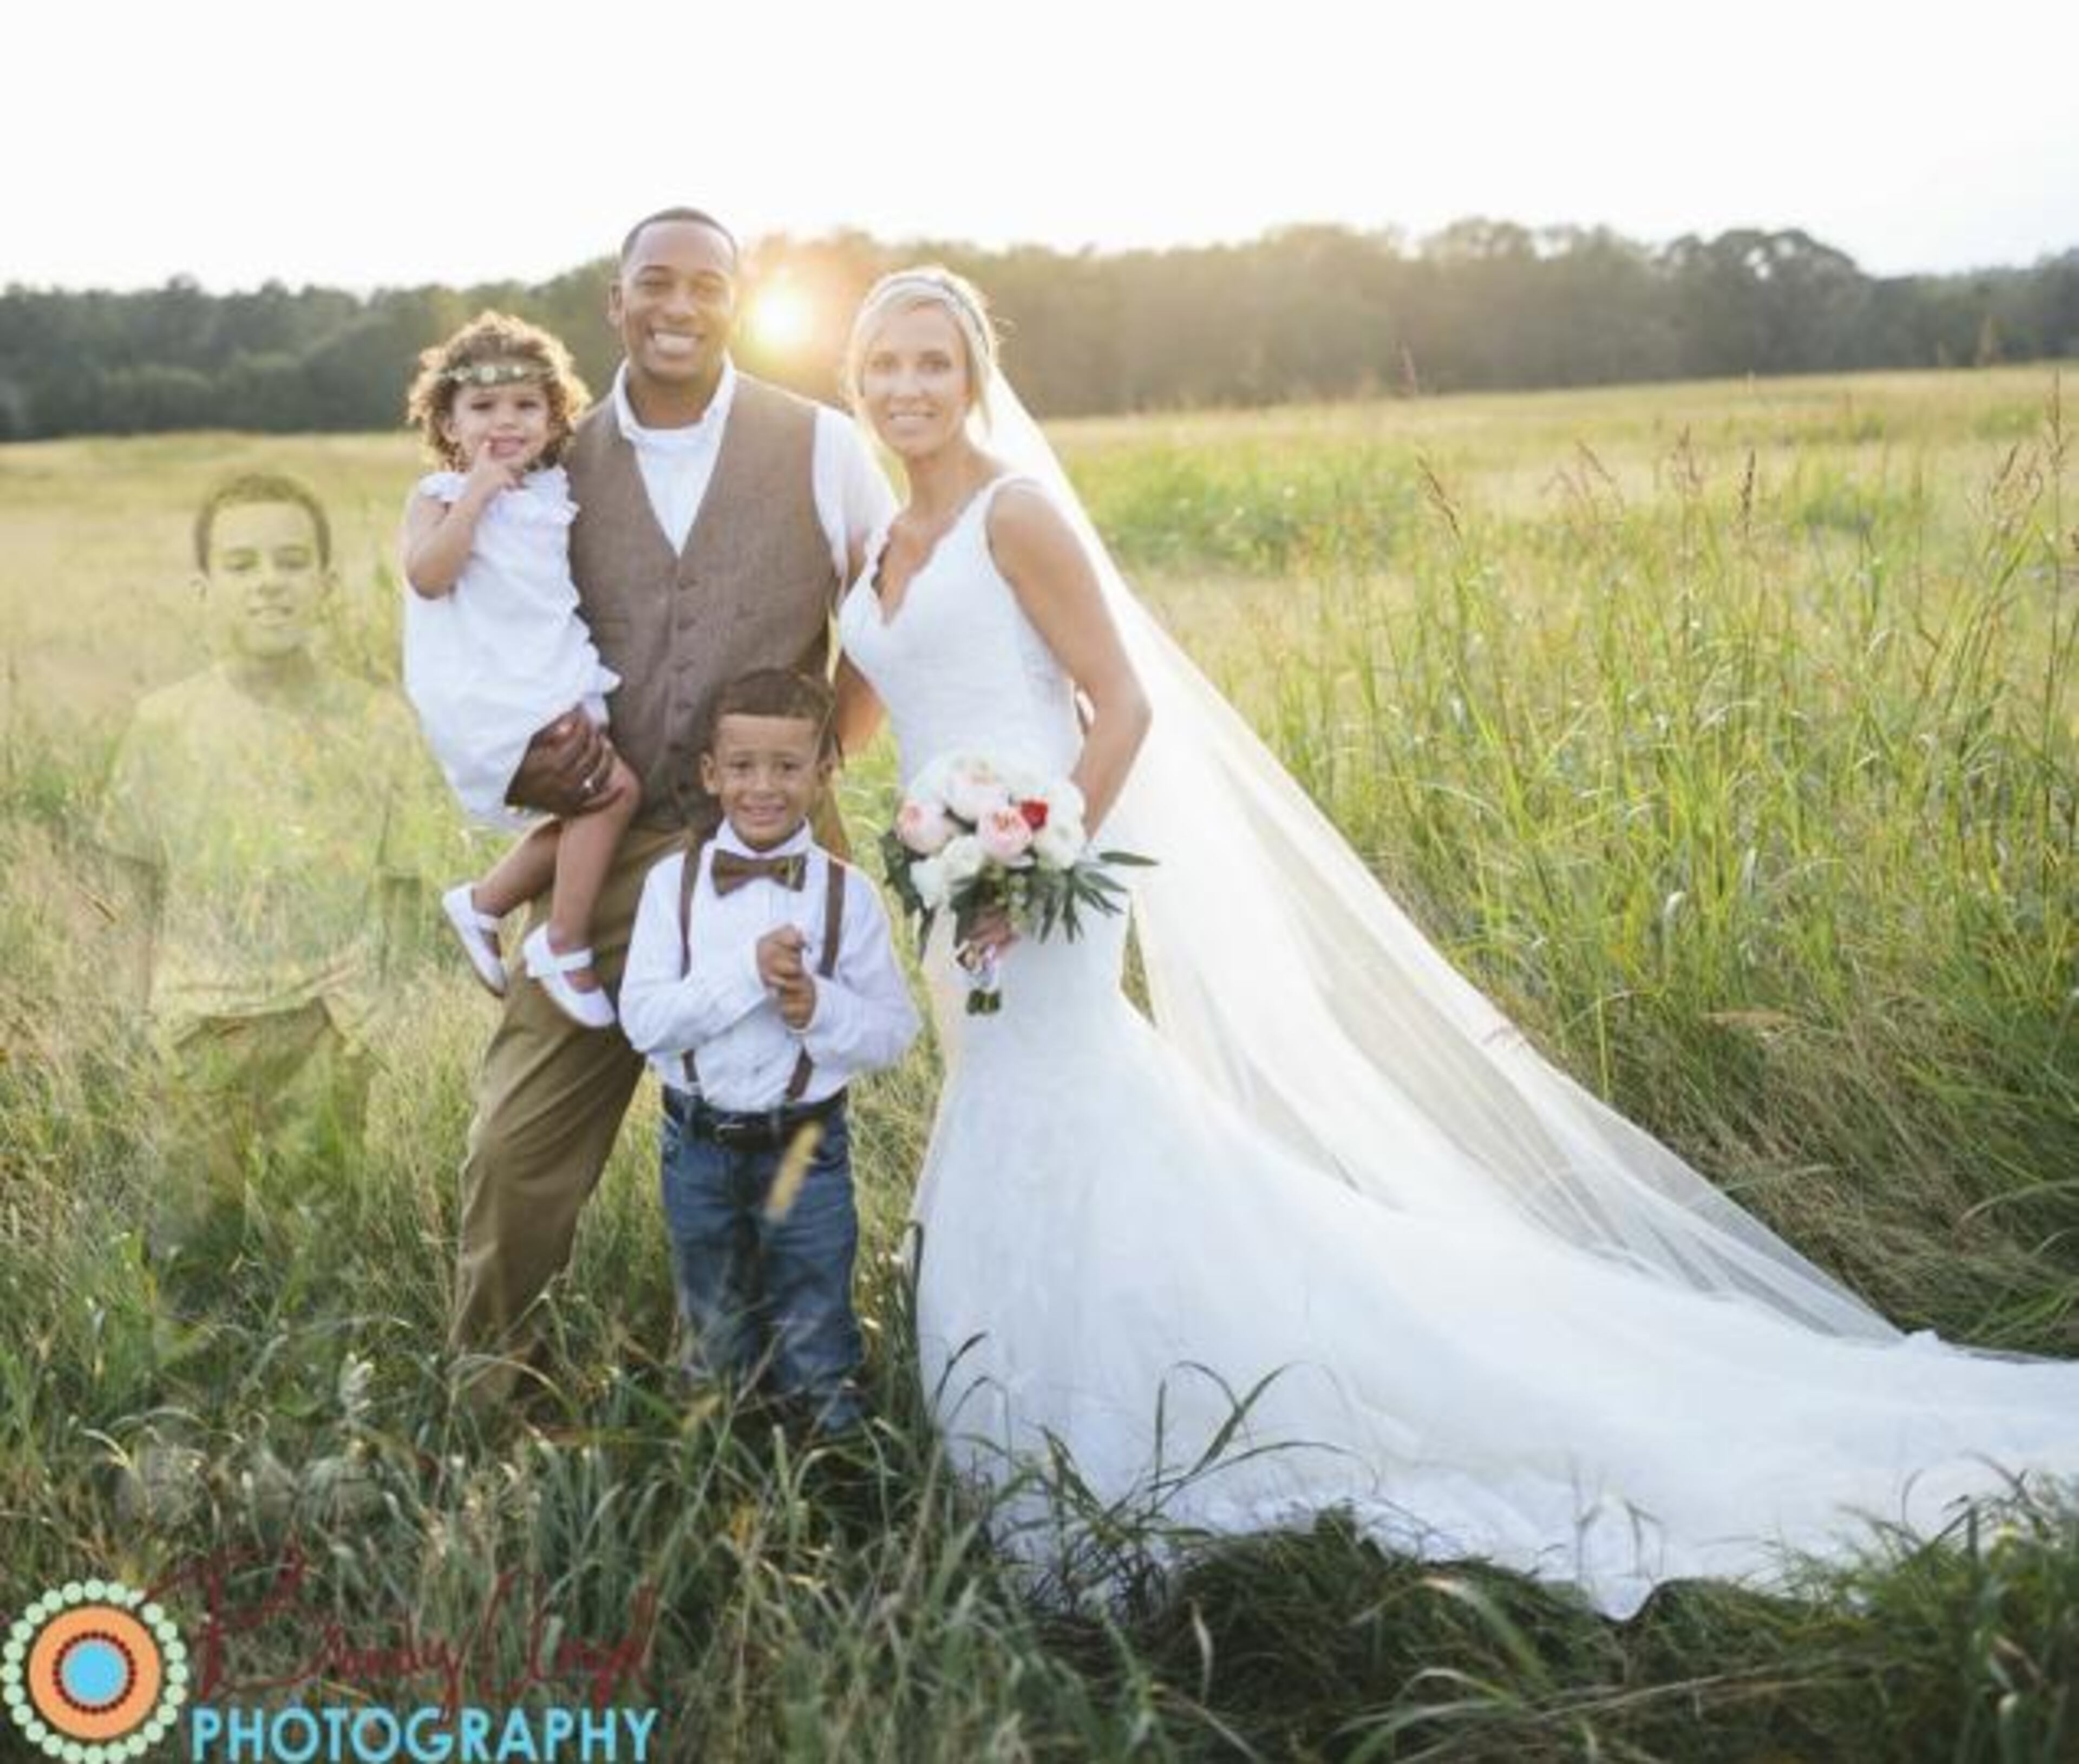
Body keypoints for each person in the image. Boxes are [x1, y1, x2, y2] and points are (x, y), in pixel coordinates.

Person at [833, 266, 2079, 1618]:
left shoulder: (1017, 512)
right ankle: (1037, 1424)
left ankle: (1112, 1428)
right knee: (1016, 1113)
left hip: (1048, 874)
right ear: (858, 383)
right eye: (885, 366)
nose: (909, 387)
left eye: (933, 363)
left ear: (971, 374)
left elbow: (1122, 700)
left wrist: (1042, 843)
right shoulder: (879, 547)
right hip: (950, 885)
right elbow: (861, 707)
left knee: (1063, 1111)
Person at [447, 209, 895, 1411]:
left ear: (736, 303)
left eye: (707, 284)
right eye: (657, 283)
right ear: (617, 302)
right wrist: (519, 761)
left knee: (790, 1145)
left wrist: (823, 771)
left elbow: (891, 624)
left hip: (779, 862)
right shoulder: (550, 461)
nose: (680, 305)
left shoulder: (822, 445)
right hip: (609, 859)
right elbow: (475, 625)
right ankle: (495, 1405)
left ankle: (792, 1404)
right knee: (517, 1147)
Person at [97, 471, 435, 1259]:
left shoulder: (378, 723)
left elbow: (405, 883)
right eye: (242, 565)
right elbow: (132, 879)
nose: (269, 585)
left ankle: (315, 1382)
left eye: (290, 563)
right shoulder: (165, 724)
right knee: (187, 1246)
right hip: (195, 1026)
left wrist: (378, 1006)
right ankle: (190, 1382)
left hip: (327, 1026)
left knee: (316, 1250)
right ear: (203, 587)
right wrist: (139, 1010)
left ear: (325, 584)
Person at [619, 668, 919, 1431]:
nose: (764, 787)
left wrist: (821, 1008)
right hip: (698, 1145)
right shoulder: (670, 889)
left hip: (807, 1148)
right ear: (711, 775)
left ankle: (835, 1486)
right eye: (744, 767)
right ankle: (714, 1479)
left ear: (824, 773)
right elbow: (646, 1021)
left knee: (815, 1325)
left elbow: (893, 1031)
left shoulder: (847, 896)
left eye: (788, 767)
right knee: (712, 1330)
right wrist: (745, 973)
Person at [401, 311, 640, 1029]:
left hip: (551, 673)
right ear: (447, 423)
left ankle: (483, 902)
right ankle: (561, 943)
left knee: (588, 802)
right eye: (481, 407)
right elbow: (430, 576)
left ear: (554, 414)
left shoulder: (551, 491)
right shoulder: (438, 497)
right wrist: (476, 494)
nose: (505, 421)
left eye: (526, 404)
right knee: (614, 795)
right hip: (496, 692)